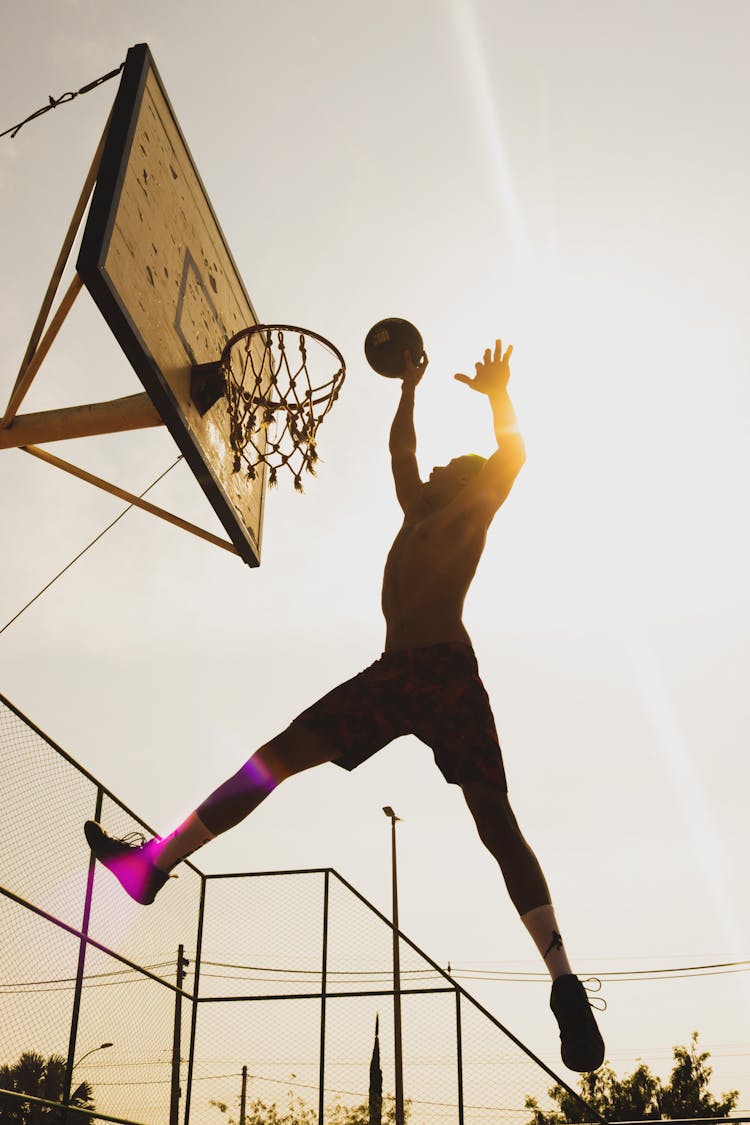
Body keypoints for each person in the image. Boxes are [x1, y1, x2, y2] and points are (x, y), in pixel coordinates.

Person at [85, 339, 605, 1072]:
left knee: (496, 821)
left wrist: (498, 397)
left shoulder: (469, 509)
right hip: (395, 676)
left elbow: (511, 458)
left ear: (466, 482)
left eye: (450, 469)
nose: (434, 470)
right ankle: (153, 865)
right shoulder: (417, 509)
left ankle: (564, 982)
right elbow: (403, 453)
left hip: (442, 672)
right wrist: (407, 389)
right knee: (274, 760)